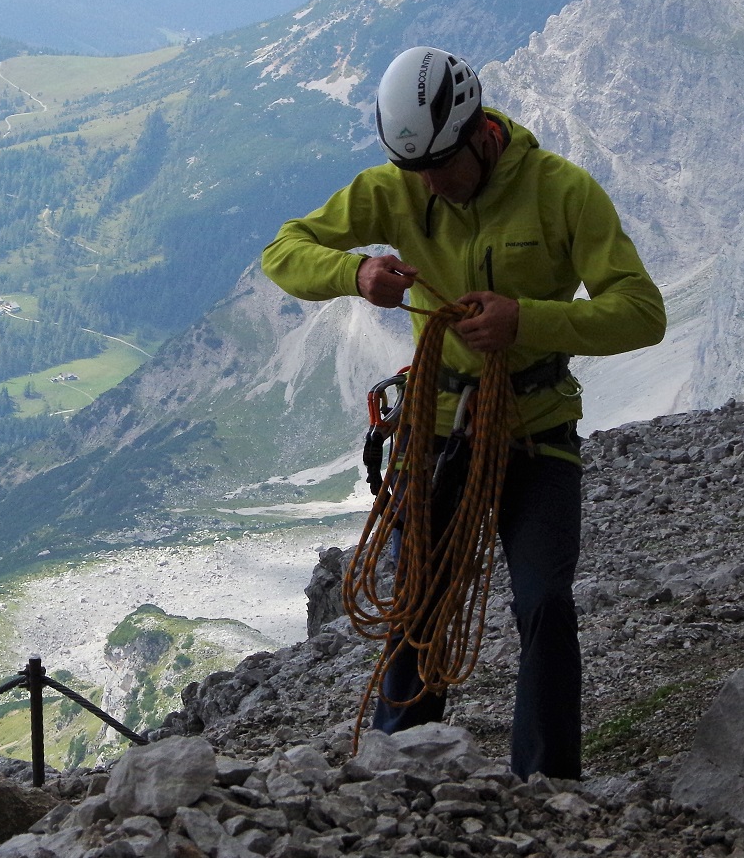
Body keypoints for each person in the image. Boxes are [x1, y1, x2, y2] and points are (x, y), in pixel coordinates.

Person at [260, 46, 665, 780]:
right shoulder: (400, 189)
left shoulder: (561, 192)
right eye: (417, 171)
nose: (431, 186)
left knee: (544, 602)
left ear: (480, 131)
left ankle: (546, 783)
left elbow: (641, 313)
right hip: (437, 428)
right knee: (422, 600)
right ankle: (395, 768)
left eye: (442, 165)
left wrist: (527, 320)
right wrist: (357, 271)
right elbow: (284, 251)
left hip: (534, 428)